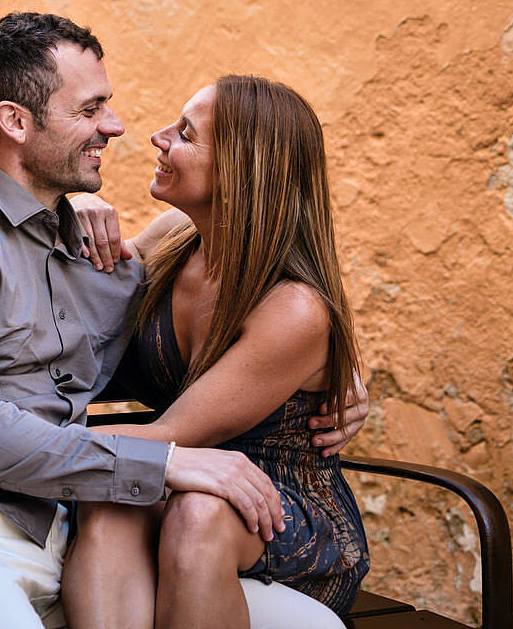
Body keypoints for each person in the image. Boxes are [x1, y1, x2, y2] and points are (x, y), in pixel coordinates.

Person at [0, 13, 366, 629]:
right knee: (122, 511)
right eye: (91, 109)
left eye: (185, 133)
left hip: (81, 523)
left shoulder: (94, 253)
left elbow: (274, 327)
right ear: (16, 121)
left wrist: (340, 377)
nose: (120, 127)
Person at [58, 76, 370, 628]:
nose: (157, 137)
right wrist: (73, 209)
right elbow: (82, 313)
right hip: (179, 476)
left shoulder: (293, 309)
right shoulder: (174, 237)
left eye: (185, 133)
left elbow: (166, 436)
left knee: (197, 513)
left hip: (278, 511)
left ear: (240, 171)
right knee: (114, 495)